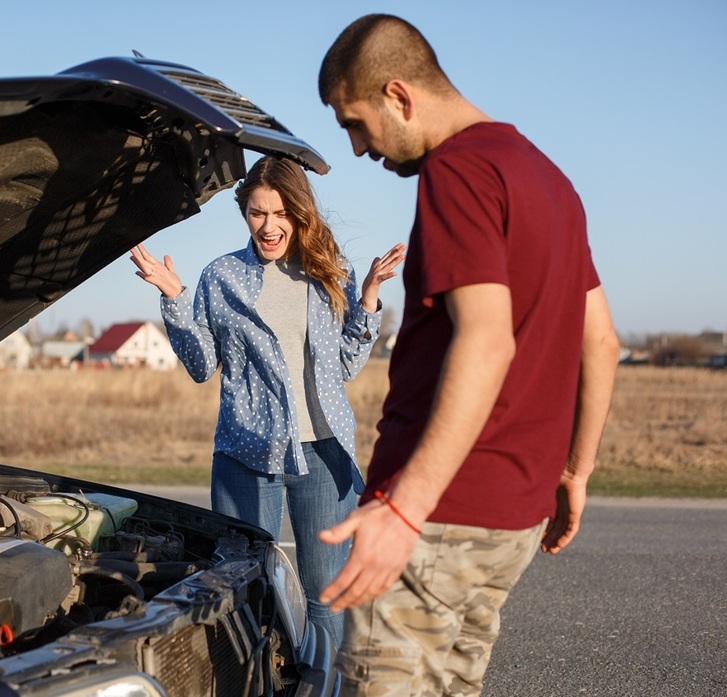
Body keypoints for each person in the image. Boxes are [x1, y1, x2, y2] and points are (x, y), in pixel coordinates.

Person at [314, 14, 621, 696]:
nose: (360, 148)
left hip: (439, 514)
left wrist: (402, 510)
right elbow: (601, 341)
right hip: (514, 515)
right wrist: (577, 470)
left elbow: (488, 338)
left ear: (399, 95)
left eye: (354, 123)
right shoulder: (550, 180)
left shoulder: (459, 172)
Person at [129, 155, 405, 645]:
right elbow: (200, 366)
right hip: (246, 451)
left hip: (323, 452)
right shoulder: (222, 277)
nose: (270, 226)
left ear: (299, 214)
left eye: (281, 213)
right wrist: (174, 299)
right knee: (245, 592)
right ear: (244, 213)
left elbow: (344, 367)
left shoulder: (329, 274)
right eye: (258, 213)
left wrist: (367, 298)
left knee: (325, 595)